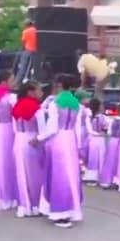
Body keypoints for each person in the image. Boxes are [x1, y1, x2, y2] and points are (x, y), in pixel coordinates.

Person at [36, 74, 83, 228]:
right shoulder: (77, 104)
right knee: (71, 175)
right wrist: (79, 147)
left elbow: (52, 128)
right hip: (71, 140)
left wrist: (40, 138)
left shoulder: (54, 103)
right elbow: (78, 129)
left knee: (57, 175)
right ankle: (70, 210)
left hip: (58, 140)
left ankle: (58, 212)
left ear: (60, 85)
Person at [10, 81, 45, 218]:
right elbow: (42, 130)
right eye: (39, 90)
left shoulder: (16, 106)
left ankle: (23, 206)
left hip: (18, 140)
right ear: (31, 92)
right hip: (32, 141)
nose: (41, 93)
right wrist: (40, 140)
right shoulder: (38, 109)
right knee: (35, 176)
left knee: (21, 175)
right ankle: (35, 206)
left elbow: (14, 127)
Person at [99, 103, 120, 189]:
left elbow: (109, 132)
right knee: (119, 161)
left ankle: (107, 180)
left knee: (110, 161)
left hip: (113, 141)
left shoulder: (112, 120)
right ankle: (117, 180)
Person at [82, 98, 108, 185]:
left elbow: (90, 130)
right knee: (97, 157)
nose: (103, 107)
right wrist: (100, 134)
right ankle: (96, 177)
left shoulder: (98, 117)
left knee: (97, 157)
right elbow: (90, 130)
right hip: (97, 139)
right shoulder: (96, 117)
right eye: (101, 105)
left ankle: (94, 176)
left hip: (94, 139)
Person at [14, 20, 38, 86]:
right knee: (33, 68)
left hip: (27, 50)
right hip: (35, 51)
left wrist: (22, 50)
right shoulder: (36, 30)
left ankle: (17, 83)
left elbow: (23, 43)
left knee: (23, 67)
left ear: (26, 25)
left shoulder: (25, 31)